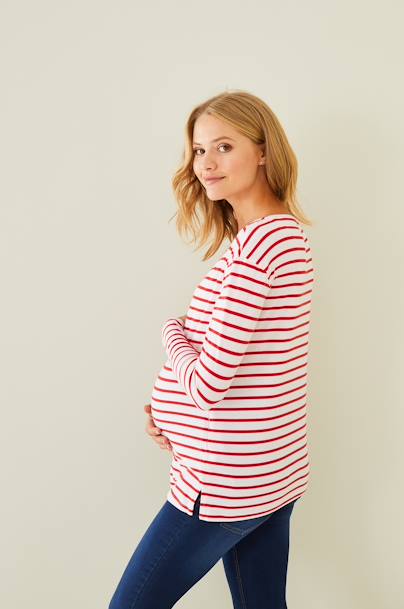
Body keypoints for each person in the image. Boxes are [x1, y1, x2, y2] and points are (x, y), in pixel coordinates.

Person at [109, 89, 315, 609]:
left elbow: (207, 385)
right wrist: (171, 417)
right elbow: (257, 369)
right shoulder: (276, 238)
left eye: (224, 146)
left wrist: (169, 331)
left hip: (223, 484)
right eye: (199, 151)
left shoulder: (261, 246)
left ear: (263, 150)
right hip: (268, 471)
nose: (206, 163)